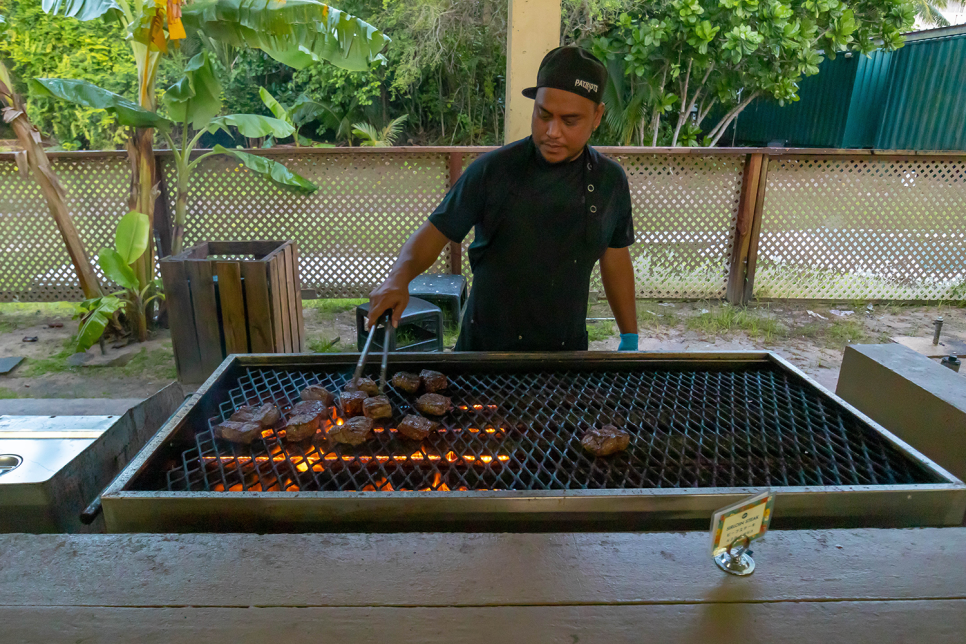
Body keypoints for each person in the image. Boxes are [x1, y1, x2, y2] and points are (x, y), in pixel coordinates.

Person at [367, 46, 638, 351]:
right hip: (485, 354)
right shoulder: (492, 170)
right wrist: (398, 278)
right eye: (543, 114)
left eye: (570, 121)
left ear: (597, 116)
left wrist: (630, 337)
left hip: (566, 353)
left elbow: (615, 259)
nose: (552, 131)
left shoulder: (609, 181)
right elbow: (433, 233)